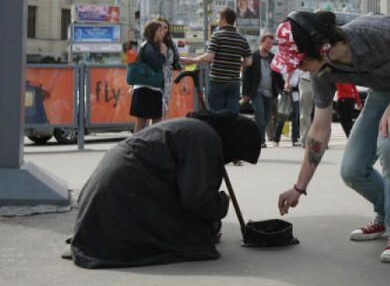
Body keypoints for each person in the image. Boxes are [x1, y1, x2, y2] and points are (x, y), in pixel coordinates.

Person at [274, 11, 390, 263]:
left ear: (322, 48)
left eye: (298, 61)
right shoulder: (321, 72)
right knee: (353, 169)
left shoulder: (376, 32)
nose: (296, 68)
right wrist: (298, 188)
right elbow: (319, 130)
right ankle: (387, 214)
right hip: (385, 91)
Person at [66, 110, 261, 269]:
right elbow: (196, 199)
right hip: (124, 194)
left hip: (110, 192)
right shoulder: (206, 140)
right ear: (236, 143)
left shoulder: (196, 130)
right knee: (196, 236)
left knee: (203, 227)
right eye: (239, 155)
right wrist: (221, 203)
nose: (235, 161)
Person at [182, 8, 252, 113]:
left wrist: (192, 60)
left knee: (216, 114)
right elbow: (248, 62)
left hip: (217, 81)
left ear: (224, 19)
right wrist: (235, 61)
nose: (217, 21)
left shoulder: (217, 35)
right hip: (234, 83)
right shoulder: (242, 39)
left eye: (219, 18)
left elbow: (209, 56)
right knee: (232, 115)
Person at [242, 33, 284, 147]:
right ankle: (260, 140)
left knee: (266, 117)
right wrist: (245, 93)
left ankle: (254, 136)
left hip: (270, 92)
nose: (270, 45)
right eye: (267, 43)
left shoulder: (273, 57)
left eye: (271, 43)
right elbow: (246, 76)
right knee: (260, 115)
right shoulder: (253, 57)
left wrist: (282, 88)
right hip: (256, 91)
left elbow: (278, 75)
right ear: (261, 42)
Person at [129, 21, 168, 133]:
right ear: (154, 32)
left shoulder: (156, 46)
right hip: (145, 89)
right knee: (142, 121)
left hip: (154, 88)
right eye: (160, 30)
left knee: (156, 119)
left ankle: (151, 144)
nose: (163, 32)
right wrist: (163, 53)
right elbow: (155, 64)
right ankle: (136, 146)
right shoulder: (148, 46)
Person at [156, 16, 183, 117]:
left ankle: (162, 127)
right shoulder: (152, 42)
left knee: (165, 105)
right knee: (155, 107)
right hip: (155, 77)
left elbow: (176, 60)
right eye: (160, 27)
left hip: (167, 78)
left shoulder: (170, 42)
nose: (163, 30)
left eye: (165, 27)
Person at [273, 70, 302, 146]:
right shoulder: (285, 69)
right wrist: (283, 88)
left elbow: (300, 81)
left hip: (295, 94)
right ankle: (276, 139)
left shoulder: (298, 70)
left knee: (295, 117)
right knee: (282, 116)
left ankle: (294, 139)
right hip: (285, 94)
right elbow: (279, 81)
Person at [298, 71, 314, 147]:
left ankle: (322, 139)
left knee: (322, 113)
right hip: (306, 81)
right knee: (305, 113)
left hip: (321, 80)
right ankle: (304, 139)